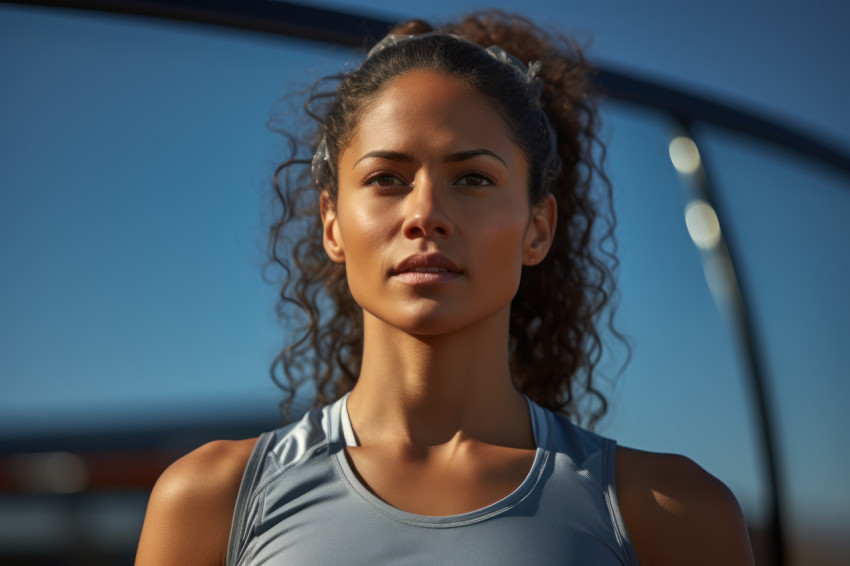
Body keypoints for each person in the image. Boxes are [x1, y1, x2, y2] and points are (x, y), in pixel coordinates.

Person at [136, 11, 754, 565]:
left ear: (538, 228)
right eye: (386, 178)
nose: (425, 213)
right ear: (332, 225)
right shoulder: (210, 503)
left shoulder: (672, 513)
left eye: (474, 179)